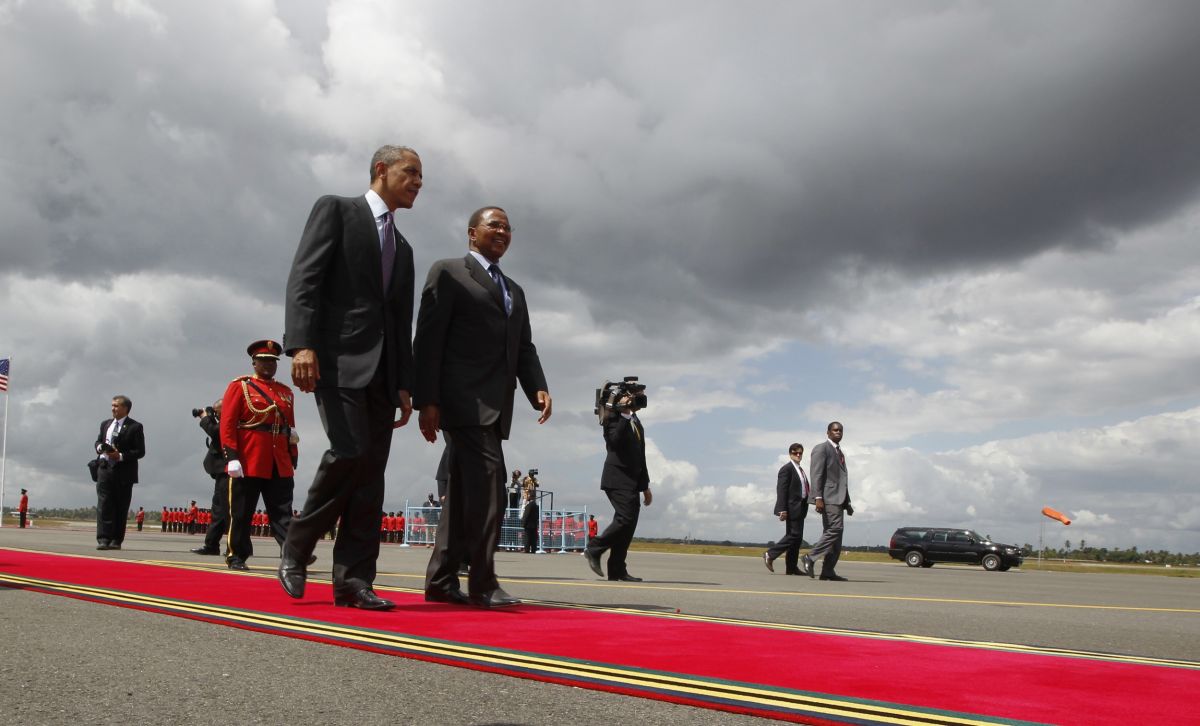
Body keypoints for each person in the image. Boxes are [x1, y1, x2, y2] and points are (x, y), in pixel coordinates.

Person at [278, 145, 421, 611]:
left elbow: (400, 320)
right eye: (411, 172)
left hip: (383, 373)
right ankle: (298, 540)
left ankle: (354, 581)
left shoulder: (404, 248)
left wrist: (404, 383)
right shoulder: (337, 210)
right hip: (337, 360)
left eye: (421, 176)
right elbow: (305, 279)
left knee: (371, 477)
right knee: (349, 451)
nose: (419, 182)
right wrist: (301, 345)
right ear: (381, 170)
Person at [415, 206, 551, 608]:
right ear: (472, 233)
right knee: (492, 485)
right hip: (462, 402)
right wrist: (427, 400)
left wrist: (537, 387)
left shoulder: (514, 291)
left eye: (508, 227)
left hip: (497, 406)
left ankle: (441, 581)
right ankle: (483, 582)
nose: (503, 231)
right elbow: (428, 339)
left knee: (461, 495)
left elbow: (523, 347)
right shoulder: (449, 272)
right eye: (495, 225)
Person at [219, 340, 299, 571]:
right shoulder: (240, 386)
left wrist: (293, 454)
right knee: (242, 512)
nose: (268, 365)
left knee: (283, 512)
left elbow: (290, 429)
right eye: (263, 360)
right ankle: (236, 555)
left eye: (272, 361)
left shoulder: (285, 392)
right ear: (254, 362)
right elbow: (228, 423)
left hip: (278, 460)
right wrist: (231, 456)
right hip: (249, 459)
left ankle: (292, 554)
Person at [584, 391, 652, 582]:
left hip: (633, 481)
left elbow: (640, 456)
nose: (638, 401)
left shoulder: (636, 421)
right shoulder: (612, 418)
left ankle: (617, 569)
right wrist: (622, 413)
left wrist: (645, 486)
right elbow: (613, 443)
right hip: (617, 479)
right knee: (625, 519)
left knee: (629, 526)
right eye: (634, 397)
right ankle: (594, 548)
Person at [801, 422, 853, 581]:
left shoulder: (839, 452)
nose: (838, 432)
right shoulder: (821, 448)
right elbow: (816, 474)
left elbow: (842, 479)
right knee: (835, 529)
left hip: (839, 499)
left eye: (841, 430)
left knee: (836, 537)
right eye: (835, 430)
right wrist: (817, 497)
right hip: (828, 497)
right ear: (828, 432)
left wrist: (847, 502)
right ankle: (810, 557)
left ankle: (828, 571)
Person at [93, 395, 146, 551]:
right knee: (104, 505)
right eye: (112, 405)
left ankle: (116, 540)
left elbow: (140, 451)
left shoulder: (135, 427)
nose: (113, 408)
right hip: (105, 469)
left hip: (123, 472)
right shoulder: (105, 424)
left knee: (120, 506)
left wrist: (121, 456)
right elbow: (98, 441)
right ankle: (103, 539)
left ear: (125, 408)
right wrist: (100, 447)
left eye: (116, 406)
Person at [763, 443, 810, 576]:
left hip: (801, 508)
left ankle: (791, 567)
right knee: (793, 535)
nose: (798, 455)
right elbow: (781, 490)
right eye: (795, 453)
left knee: (797, 539)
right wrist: (782, 509)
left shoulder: (800, 470)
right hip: (791, 507)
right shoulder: (786, 469)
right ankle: (770, 554)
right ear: (790, 454)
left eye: (800, 453)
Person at [191, 400, 231, 556]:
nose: (215, 414)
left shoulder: (230, 420)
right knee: (219, 510)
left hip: (228, 470)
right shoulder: (223, 421)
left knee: (227, 510)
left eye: (217, 411)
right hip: (223, 471)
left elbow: (215, 432)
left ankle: (236, 547)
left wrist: (205, 418)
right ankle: (212, 544)